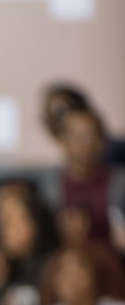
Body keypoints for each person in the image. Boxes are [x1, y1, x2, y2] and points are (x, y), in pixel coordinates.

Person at [44, 105, 125, 250]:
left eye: (92, 136)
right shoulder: (50, 185)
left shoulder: (119, 182)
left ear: (102, 142)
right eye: (77, 137)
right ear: (63, 142)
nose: (86, 144)